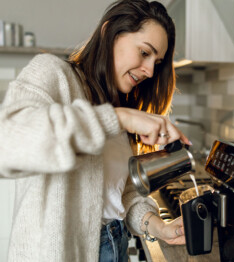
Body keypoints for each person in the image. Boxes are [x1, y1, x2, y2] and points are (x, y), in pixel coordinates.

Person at [0, 0, 190, 261]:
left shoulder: (116, 103)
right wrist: (119, 118)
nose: (149, 71)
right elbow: (8, 141)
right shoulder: (54, 75)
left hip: (115, 245)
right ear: (110, 32)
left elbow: (118, 193)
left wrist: (158, 227)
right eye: (145, 53)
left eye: (156, 62)